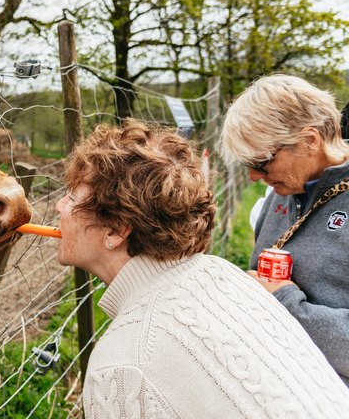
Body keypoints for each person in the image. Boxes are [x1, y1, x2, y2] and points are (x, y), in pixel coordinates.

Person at [56, 121, 349, 418]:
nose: (58, 206)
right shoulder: (226, 275)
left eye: (72, 198)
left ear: (117, 231)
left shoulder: (120, 366)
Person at [221, 75, 349, 386]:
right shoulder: (279, 197)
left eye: (262, 161)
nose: (253, 176)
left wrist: (285, 303)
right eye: (247, 164)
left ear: (310, 140)